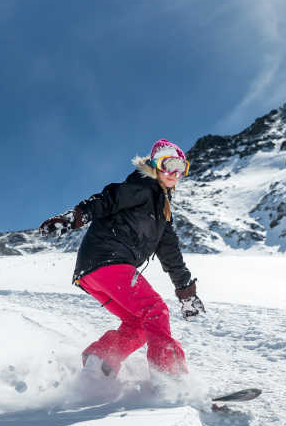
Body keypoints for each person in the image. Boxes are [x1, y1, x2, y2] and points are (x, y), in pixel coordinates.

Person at [39, 138, 205, 382]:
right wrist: (73, 218)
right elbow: (106, 200)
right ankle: (170, 377)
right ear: (156, 165)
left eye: (182, 168)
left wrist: (186, 292)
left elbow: (171, 256)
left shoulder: (162, 212)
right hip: (108, 259)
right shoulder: (142, 188)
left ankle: (100, 362)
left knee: (138, 323)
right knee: (155, 310)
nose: (175, 174)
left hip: (95, 271)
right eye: (170, 165)